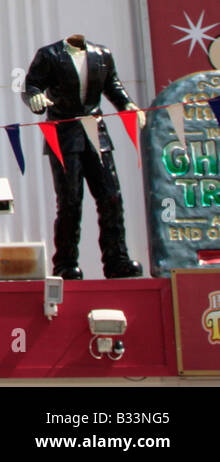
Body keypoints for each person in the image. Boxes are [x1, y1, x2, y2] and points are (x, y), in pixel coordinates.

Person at [22, 33, 144, 279]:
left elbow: (114, 86)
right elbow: (31, 86)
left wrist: (127, 105)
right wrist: (35, 97)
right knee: (70, 201)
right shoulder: (49, 55)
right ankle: (66, 263)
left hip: (96, 131)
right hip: (63, 134)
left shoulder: (102, 54)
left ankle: (116, 259)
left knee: (111, 196)